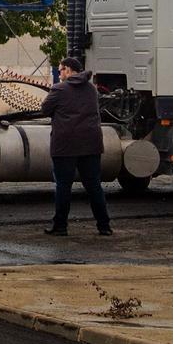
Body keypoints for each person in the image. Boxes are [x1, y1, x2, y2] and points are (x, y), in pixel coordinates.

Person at [41, 56, 112, 236]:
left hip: (66, 145)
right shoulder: (92, 90)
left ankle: (60, 226)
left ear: (70, 70)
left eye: (61, 70)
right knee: (94, 185)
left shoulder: (59, 89)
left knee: (63, 186)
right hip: (91, 144)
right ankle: (104, 226)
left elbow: (45, 109)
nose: (59, 73)